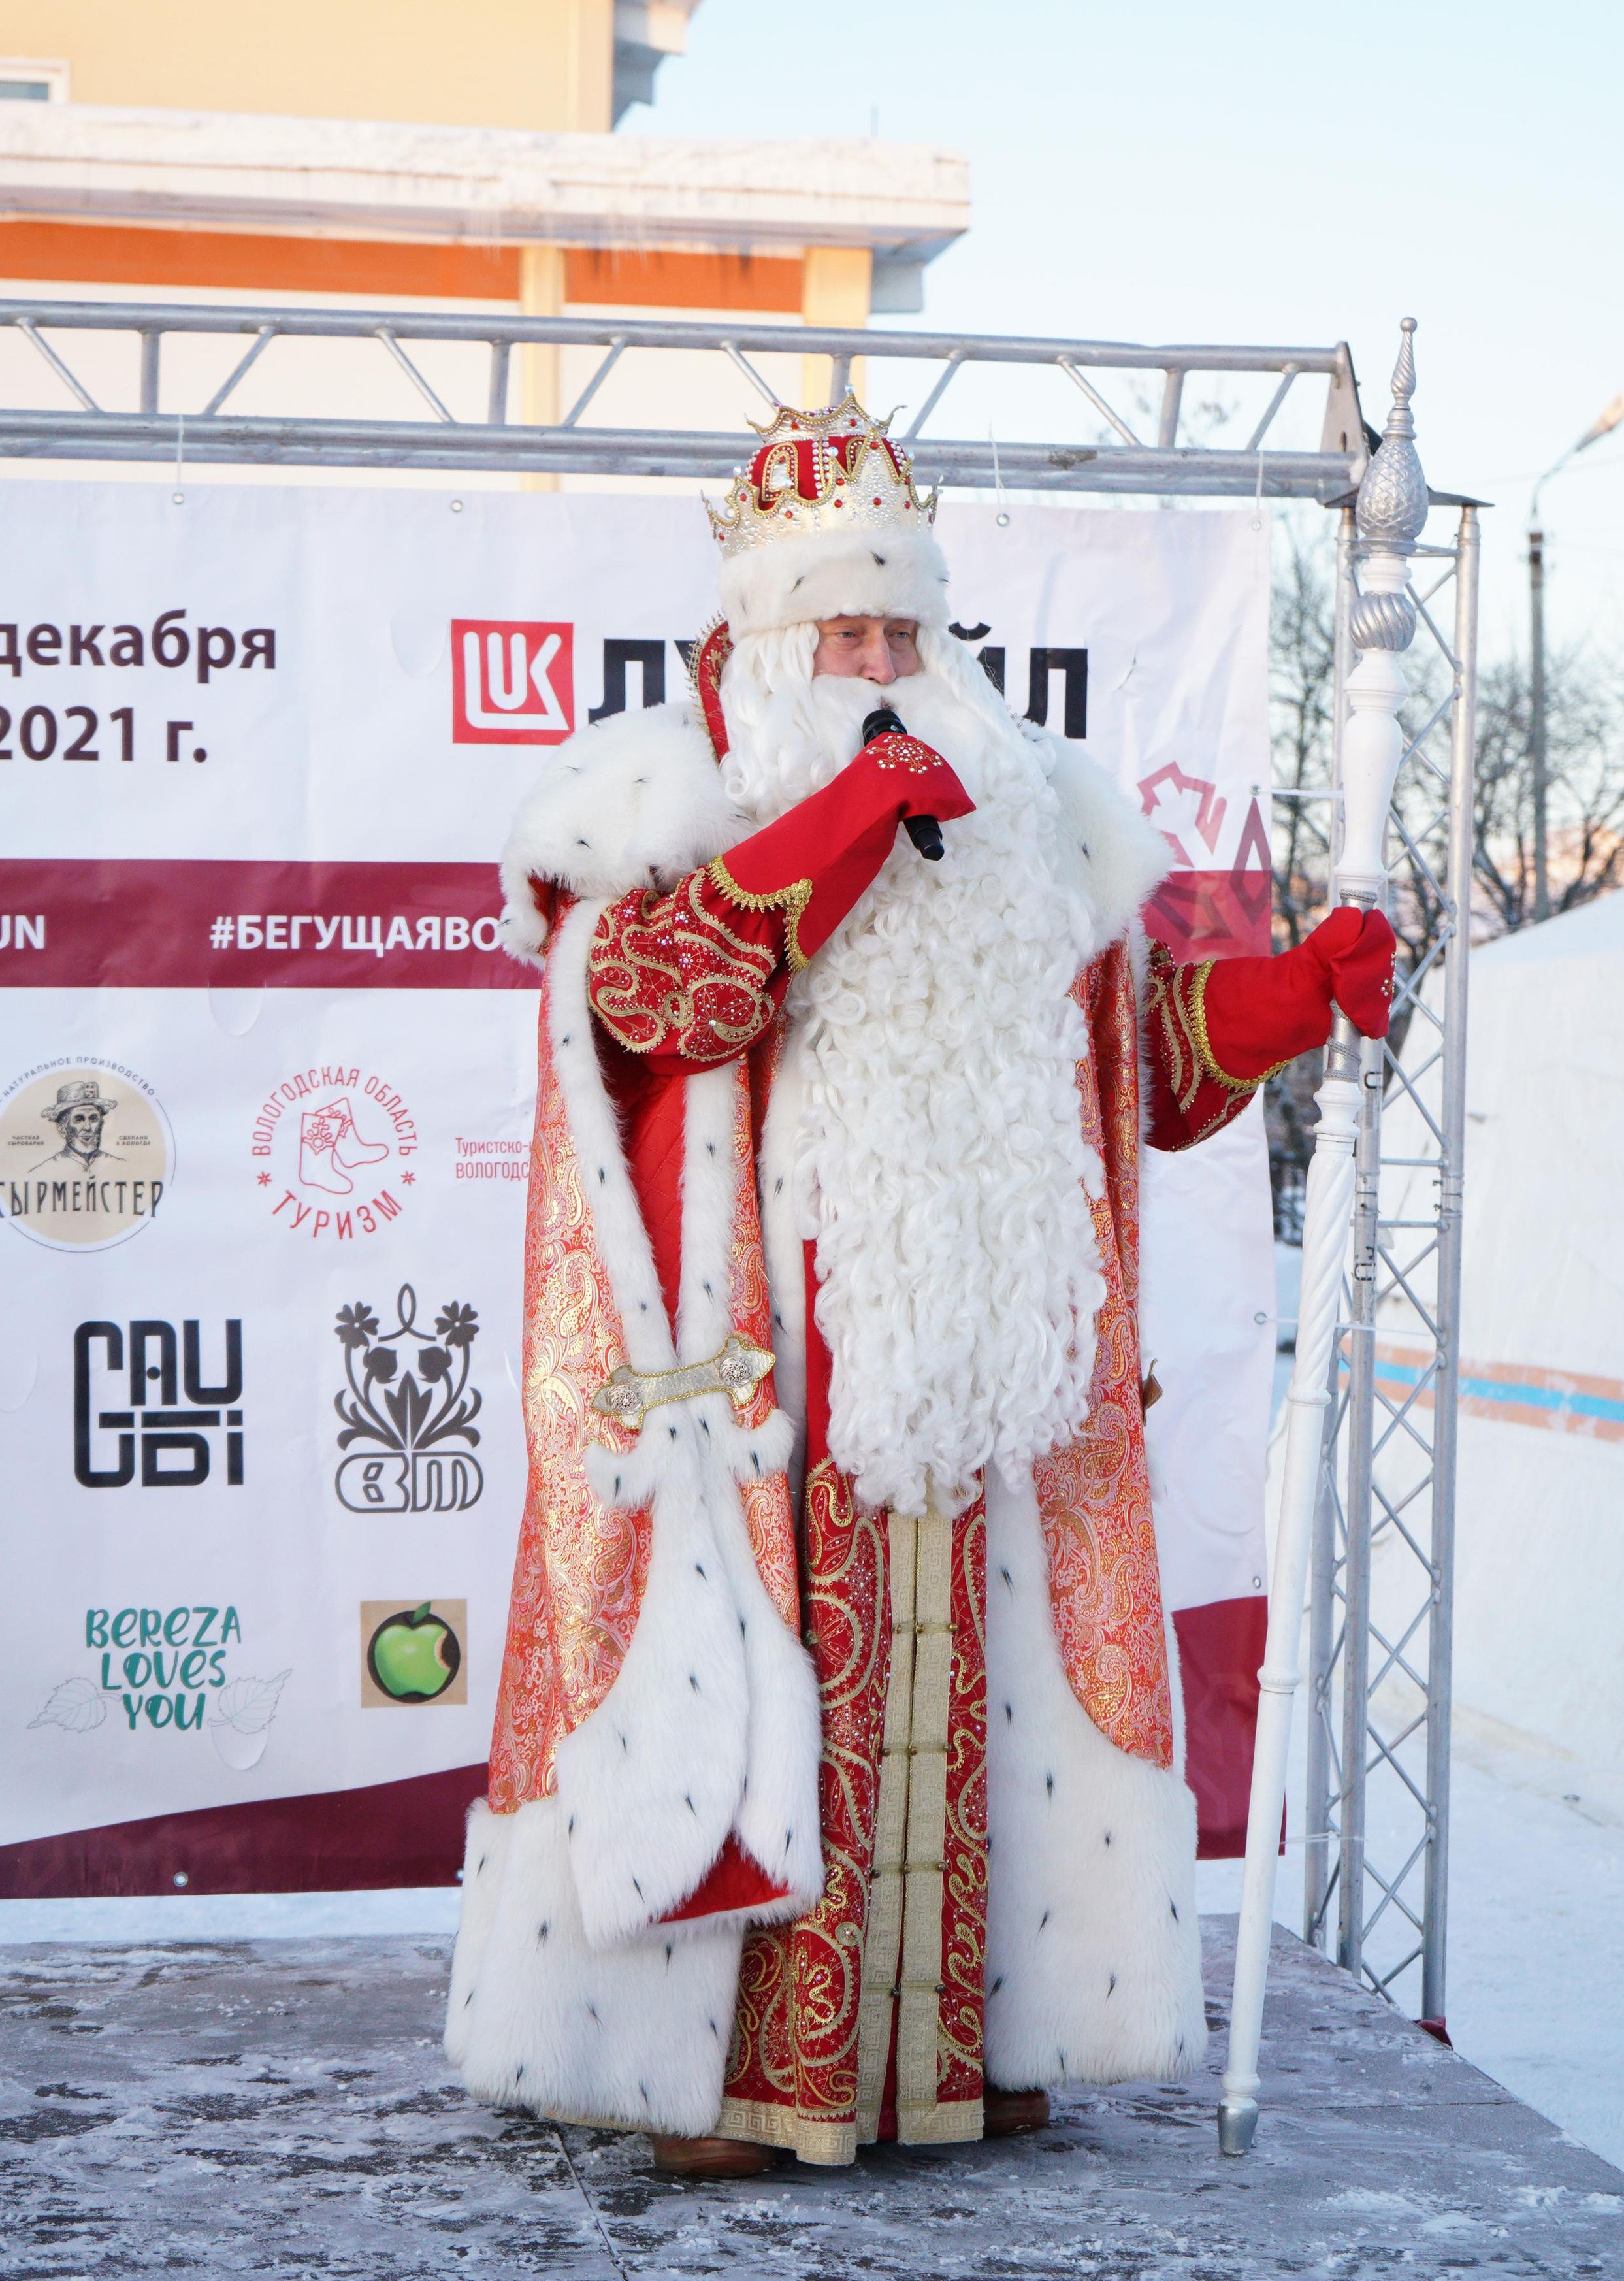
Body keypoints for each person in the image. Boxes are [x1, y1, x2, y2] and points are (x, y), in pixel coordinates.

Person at [445, 395, 1394, 2174]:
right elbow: (660, 1007)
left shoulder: (1033, 820)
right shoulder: (659, 802)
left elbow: (1137, 1074)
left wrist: (1290, 994)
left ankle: (952, 2051)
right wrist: (849, 826)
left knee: (970, 1712)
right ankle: (731, 2083)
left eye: (903, 628)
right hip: (756, 1395)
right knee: (762, 1708)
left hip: (979, 1379)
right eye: (844, 630)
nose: (880, 664)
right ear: (763, 635)